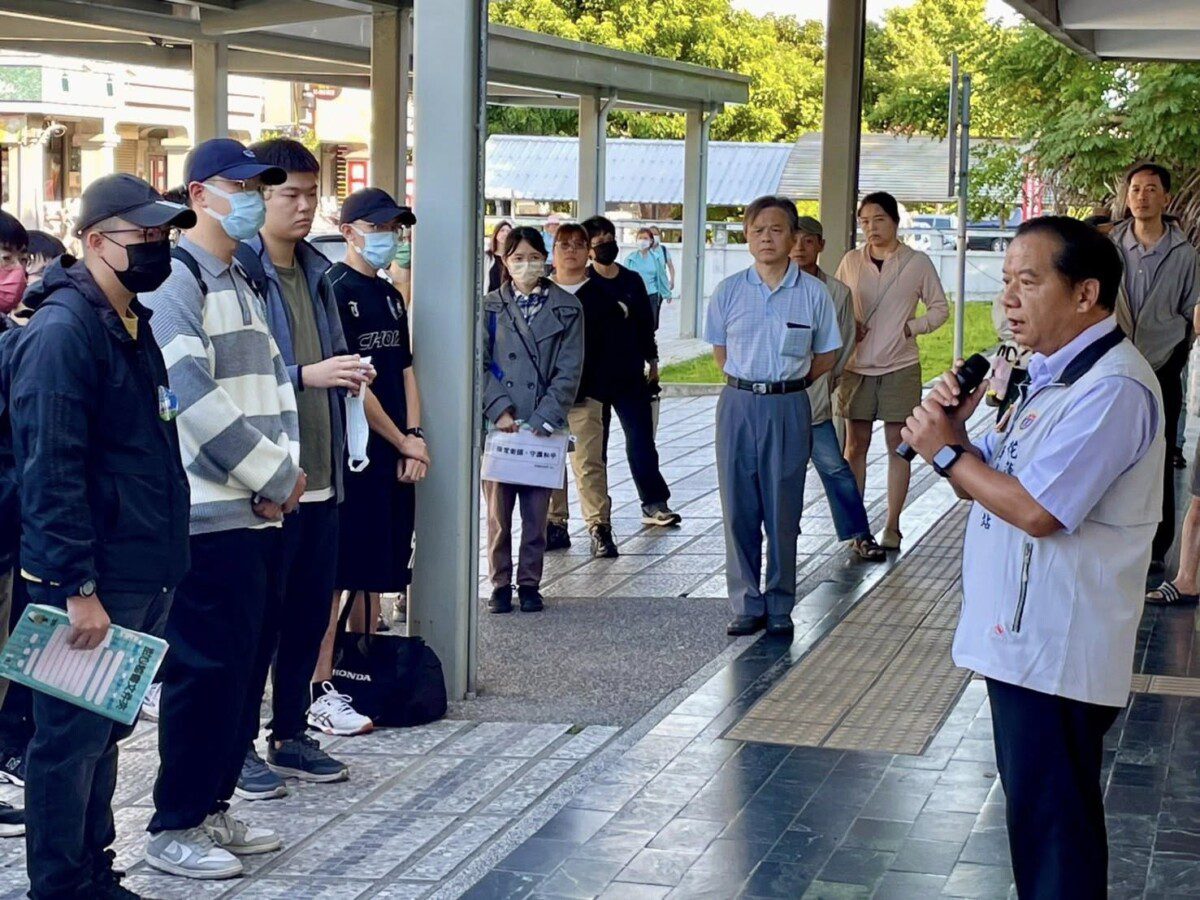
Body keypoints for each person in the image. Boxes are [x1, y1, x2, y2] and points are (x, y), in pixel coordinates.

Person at [901, 215, 1163, 899]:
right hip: (1024, 643)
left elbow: (1040, 512)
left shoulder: (1113, 388)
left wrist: (947, 453)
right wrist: (956, 436)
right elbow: (990, 483)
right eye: (1006, 282)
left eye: (1029, 281)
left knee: (1055, 840)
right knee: (1040, 827)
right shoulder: (1048, 376)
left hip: (1058, 649)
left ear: (1085, 293)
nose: (1009, 299)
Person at [5, 173, 194, 898]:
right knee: (67, 741)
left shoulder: (130, 323)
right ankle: (60, 884)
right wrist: (73, 587)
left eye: (162, 234)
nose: (156, 246)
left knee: (105, 728)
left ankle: (93, 869)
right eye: (142, 235)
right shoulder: (63, 333)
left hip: (140, 568)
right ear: (93, 242)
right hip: (91, 580)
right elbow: (50, 470)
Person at [140, 138, 300, 879]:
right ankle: (174, 824)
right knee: (203, 676)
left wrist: (280, 475)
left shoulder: (239, 275)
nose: (254, 200)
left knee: (241, 673)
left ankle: (212, 807)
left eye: (259, 188)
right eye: (241, 187)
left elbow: (275, 386)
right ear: (199, 194)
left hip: (257, 511)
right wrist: (270, 472)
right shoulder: (177, 279)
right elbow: (190, 395)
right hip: (209, 516)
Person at [231, 138, 371, 798]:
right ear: (257, 195)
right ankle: (235, 749)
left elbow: (331, 359)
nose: (304, 206)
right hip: (266, 484)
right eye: (290, 193)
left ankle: (289, 733)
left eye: (313, 194)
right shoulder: (238, 274)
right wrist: (306, 374)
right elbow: (236, 380)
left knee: (309, 617)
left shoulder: (319, 270)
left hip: (323, 475)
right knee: (255, 627)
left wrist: (347, 376)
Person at [314, 187, 429, 719]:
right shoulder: (335, 289)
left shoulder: (390, 294)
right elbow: (354, 383)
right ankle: (318, 681)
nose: (390, 238)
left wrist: (414, 436)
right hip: (354, 451)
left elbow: (403, 369)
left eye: (395, 229)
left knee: (378, 571)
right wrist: (399, 439)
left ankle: (361, 669)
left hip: (394, 451)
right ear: (350, 232)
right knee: (340, 571)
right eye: (379, 228)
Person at [705, 196, 840, 638]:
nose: (767, 238)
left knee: (784, 508)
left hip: (789, 405)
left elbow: (827, 354)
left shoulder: (814, 293)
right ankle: (746, 602)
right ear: (747, 236)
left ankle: (781, 603)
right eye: (758, 230)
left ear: (794, 237)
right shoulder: (728, 291)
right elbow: (720, 353)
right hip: (739, 404)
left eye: (777, 229)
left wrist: (790, 383)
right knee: (738, 507)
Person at [836, 190, 949, 552]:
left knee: (898, 446)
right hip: (856, 367)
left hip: (901, 365)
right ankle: (857, 528)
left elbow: (939, 309)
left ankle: (893, 525)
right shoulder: (851, 262)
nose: (871, 227)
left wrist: (911, 328)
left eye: (879, 219)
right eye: (865, 221)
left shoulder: (917, 262)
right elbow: (835, 306)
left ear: (895, 222)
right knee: (855, 446)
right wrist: (849, 326)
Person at [482, 227, 583, 614]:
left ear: (546, 259)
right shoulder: (489, 306)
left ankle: (529, 582)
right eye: (518, 258)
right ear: (505, 261)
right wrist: (498, 408)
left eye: (534, 257)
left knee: (537, 513)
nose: (527, 265)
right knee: (498, 513)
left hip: (544, 426)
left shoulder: (568, 308)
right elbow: (478, 362)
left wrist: (545, 416)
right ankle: (499, 582)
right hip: (500, 425)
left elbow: (569, 368)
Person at [1108, 163, 1200, 575]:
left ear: (1166, 198)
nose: (1141, 196)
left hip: (1163, 366)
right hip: (1113, 365)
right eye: (1135, 189)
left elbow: (1193, 310)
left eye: (1150, 189)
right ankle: (1111, 537)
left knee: (1158, 456)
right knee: (1111, 450)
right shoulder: (1110, 247)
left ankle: (1156, 547)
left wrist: (1177, 350)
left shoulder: (1185, 255)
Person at [790, 217, 885, 562]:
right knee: (781, 476)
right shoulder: (774, 288)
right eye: (794, 240)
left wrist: (825, 379)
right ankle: (783, 540)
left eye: (808, 241)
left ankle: (859, 534)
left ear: (820, 245)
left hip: (815, 399)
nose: (799, 248)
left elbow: (842, 345)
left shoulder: (837, 292)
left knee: (835, 469)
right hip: (776, 403)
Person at [581, 215, 681, 528]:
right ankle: (598, 514)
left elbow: (645, 327)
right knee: (594, 450)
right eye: (597, 242)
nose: (604, 246)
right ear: (588, 249)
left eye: (608, 239)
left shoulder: (632, 281)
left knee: (641, 442)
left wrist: (653, 363)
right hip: (591, 381)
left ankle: (655, 503)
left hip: (629, 376)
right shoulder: (582, 284)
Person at [545, 223, 629, 558]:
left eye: (578, 244)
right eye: (564, 245)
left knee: (588, 462)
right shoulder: (540, 293)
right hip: (545, 399)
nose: (571, 251)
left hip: (587, 395)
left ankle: (599, 526)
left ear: (588, 251)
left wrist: (600, 390)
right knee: (549, 462)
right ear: (554, 251)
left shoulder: (601, 298)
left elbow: (614, 349)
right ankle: (554, 523)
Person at [625, 226, 671, 329]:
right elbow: (624, 279)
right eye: (640, 238)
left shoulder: (655, 258)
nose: (642, 241)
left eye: (645, 238)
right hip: (635, 296)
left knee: (651, 325)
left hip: (652, 295)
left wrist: (667, 293)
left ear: (651, 241)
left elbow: (662, 276)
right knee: (636, 325)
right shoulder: (630, 259)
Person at [486, 220, 512, 293]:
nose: (505, 233)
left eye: (508, 231)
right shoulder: (487, 257)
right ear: (496, 234)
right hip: (490, 297)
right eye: (502, 230)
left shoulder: (512, 257)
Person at [649, 225, 676, 293]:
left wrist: (672, 280)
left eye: (655, 234)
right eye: (651, 234)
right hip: (648, 286)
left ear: (659, 236)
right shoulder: (645, 250)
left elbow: (670, 266)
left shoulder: (663, 249)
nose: (654, 236)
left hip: (662, 286)